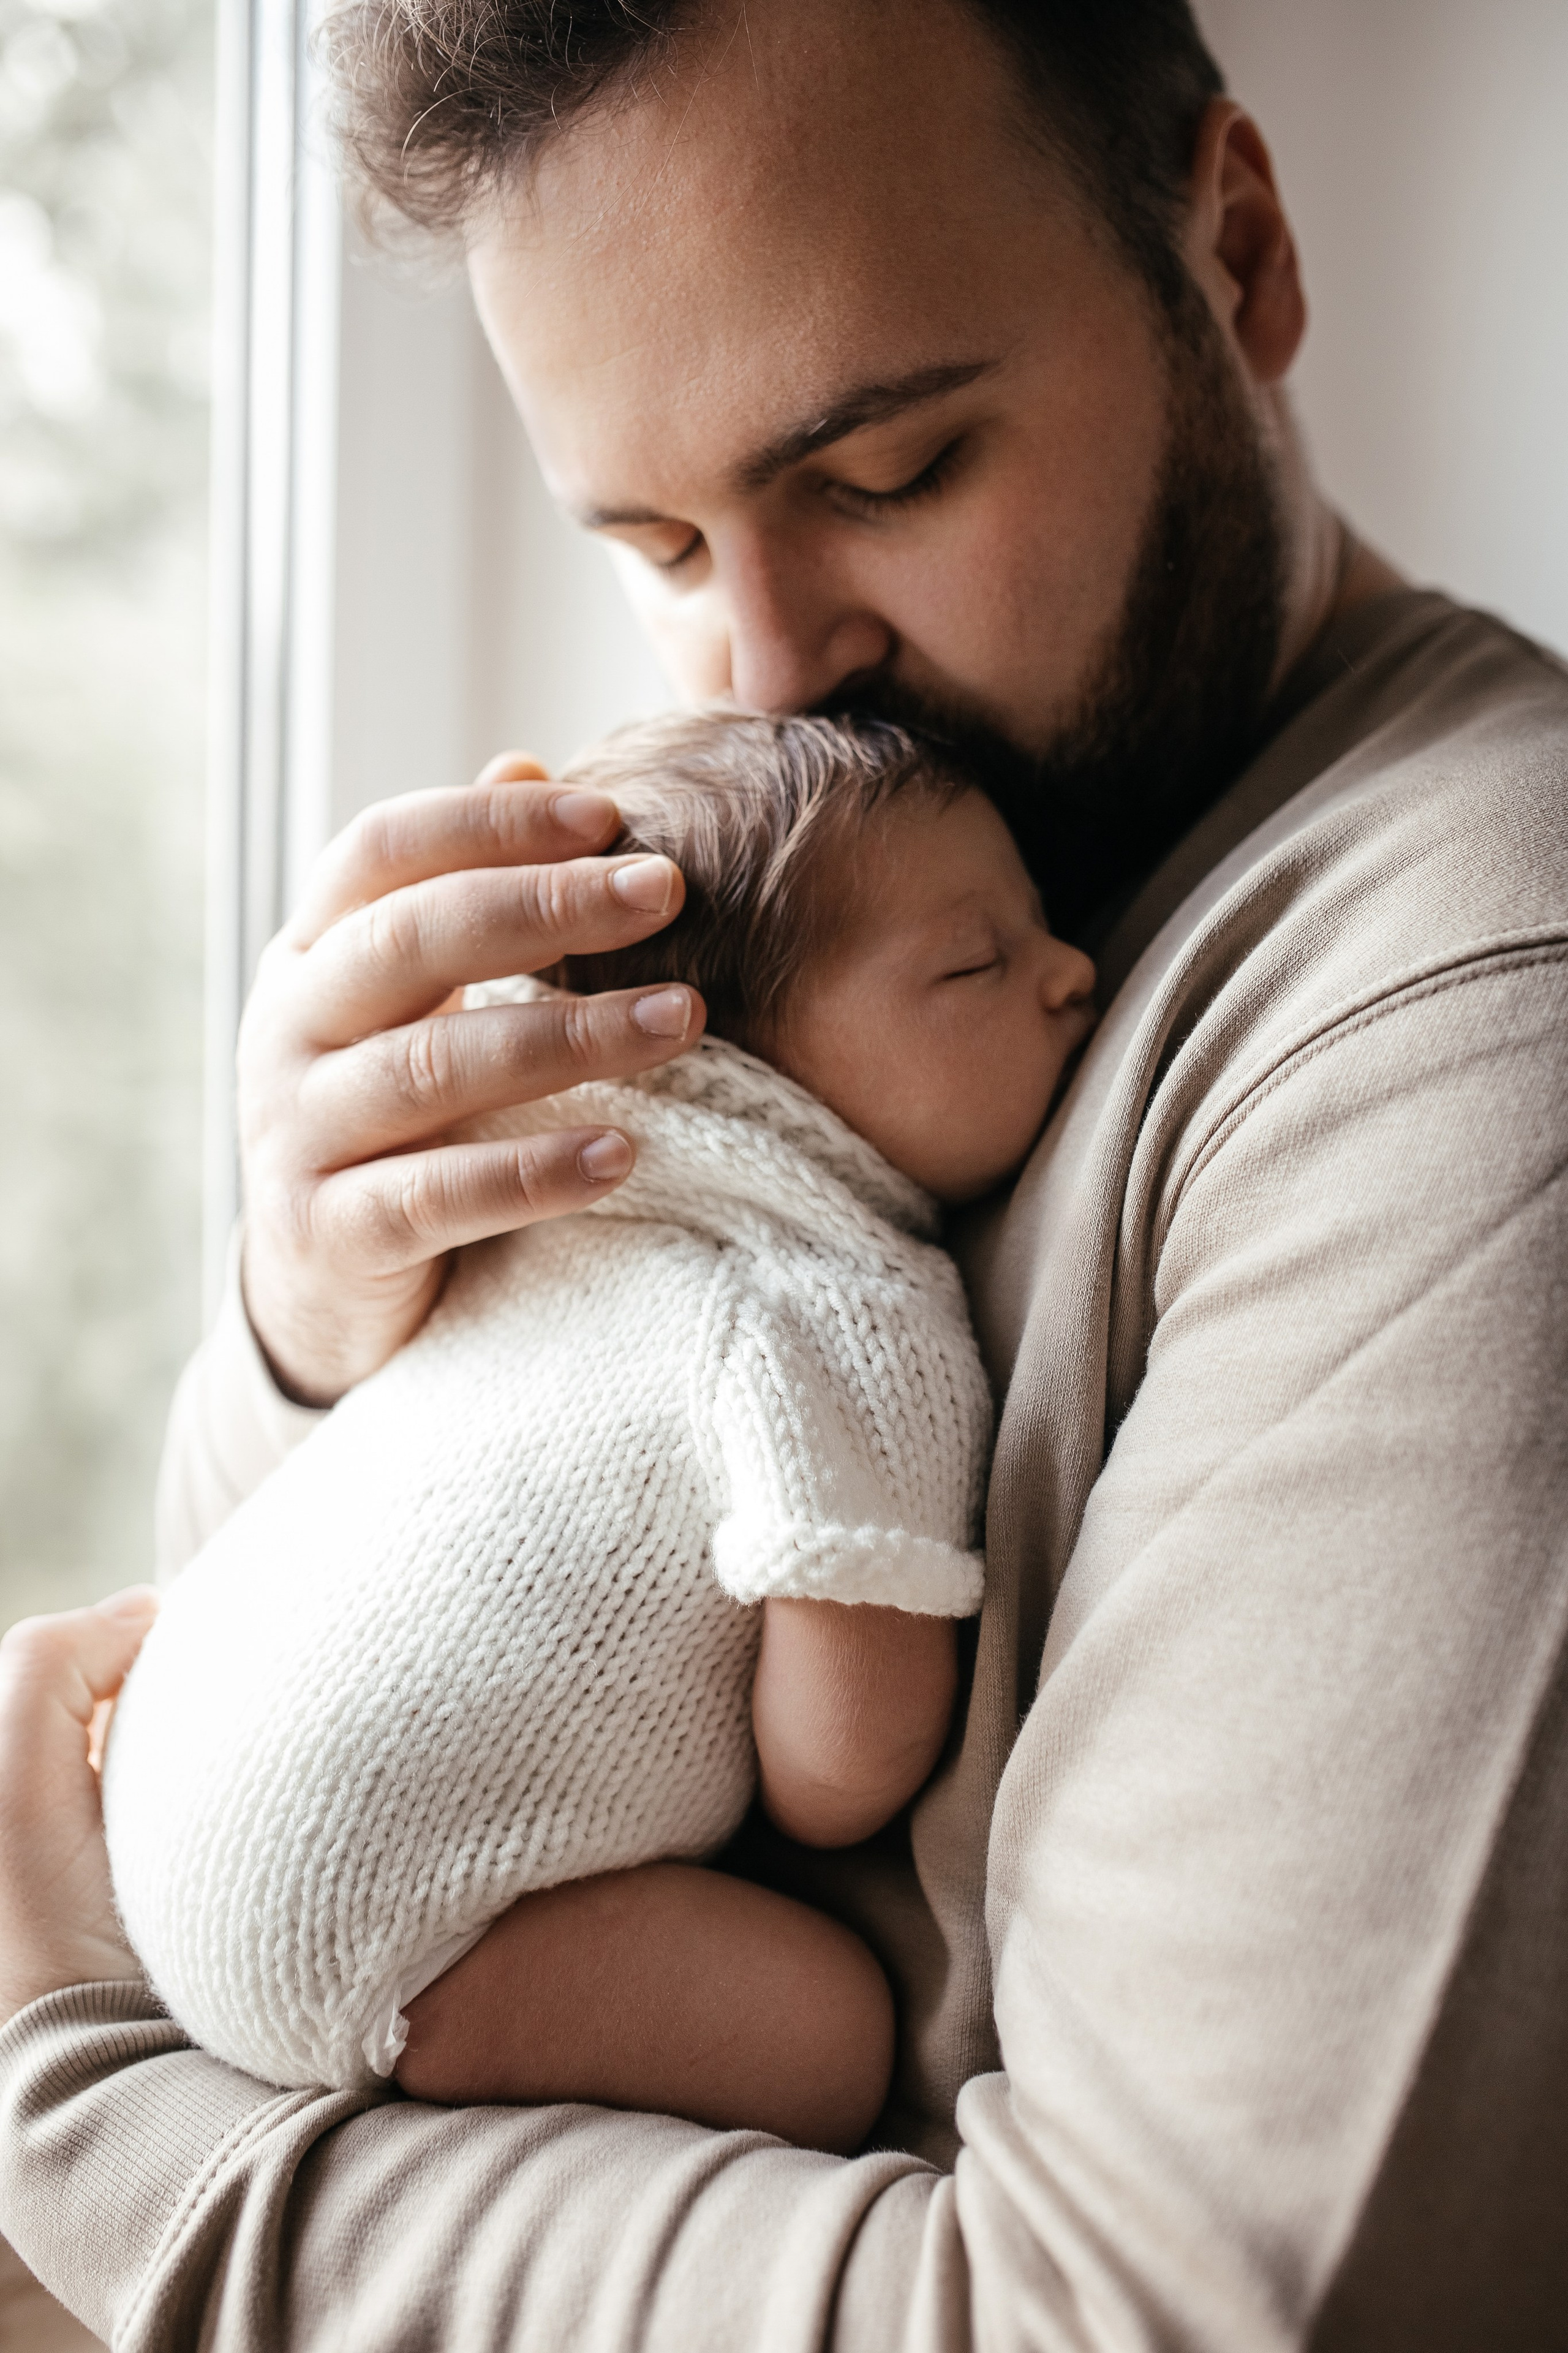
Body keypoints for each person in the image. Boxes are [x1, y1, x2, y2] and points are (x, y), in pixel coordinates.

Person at [0, 0, 1564, 2344]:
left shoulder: (1463, 1003)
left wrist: (81, 2105)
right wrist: (326, 1307)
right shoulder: (822, 927)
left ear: (1233, 257)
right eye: (647, 538)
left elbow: (1130, 2321)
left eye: (891, 470)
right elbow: (355, 1696)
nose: (769, 668)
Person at [100, 712, 1094, 2147]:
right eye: (974, 961)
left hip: (165, 1777)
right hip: (341, 1916)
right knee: (834, 2032)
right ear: (735, 1048)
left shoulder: (528, 1195)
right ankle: (412, 2040)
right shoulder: (837, 1308)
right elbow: (841, 1768)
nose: (1073, 975)